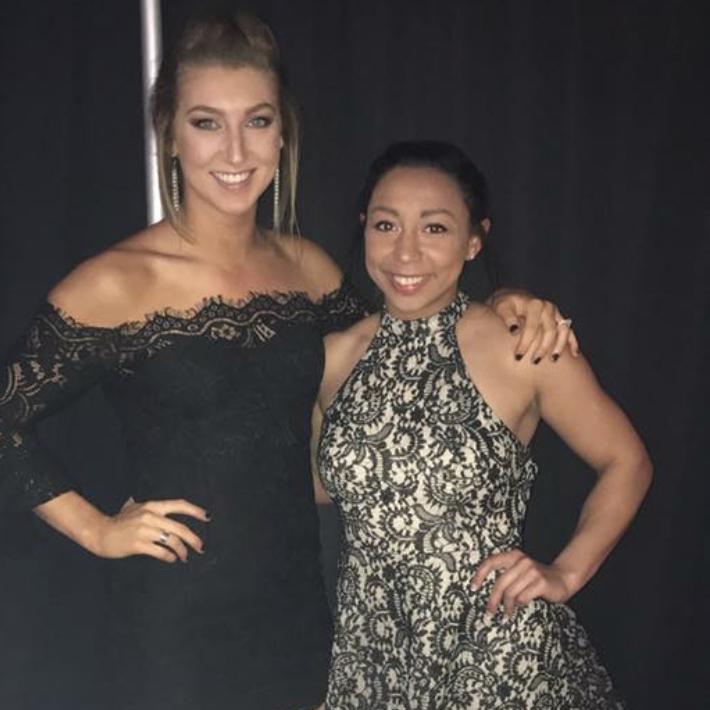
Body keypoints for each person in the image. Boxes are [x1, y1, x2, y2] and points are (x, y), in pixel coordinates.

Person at [0, 13, 574, 710]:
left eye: (258, 121)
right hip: (176, 618)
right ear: (170, 135)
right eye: (207, 123)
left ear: (282, 134)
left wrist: (505, 298)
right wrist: (96, 529)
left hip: (301, 609)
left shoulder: (308, 268)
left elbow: (407, 330)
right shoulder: (116, 283)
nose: (235, 149)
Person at [315, 141, 652, 709]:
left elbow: (627, 461)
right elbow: (314, 495)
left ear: (474, 240)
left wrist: (566, 574)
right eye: (386, 225)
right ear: (364, 228)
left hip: (498, 659)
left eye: (435, 228)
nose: (406, 251)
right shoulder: (330, 359)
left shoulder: (524, 346)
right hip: (372, 665)